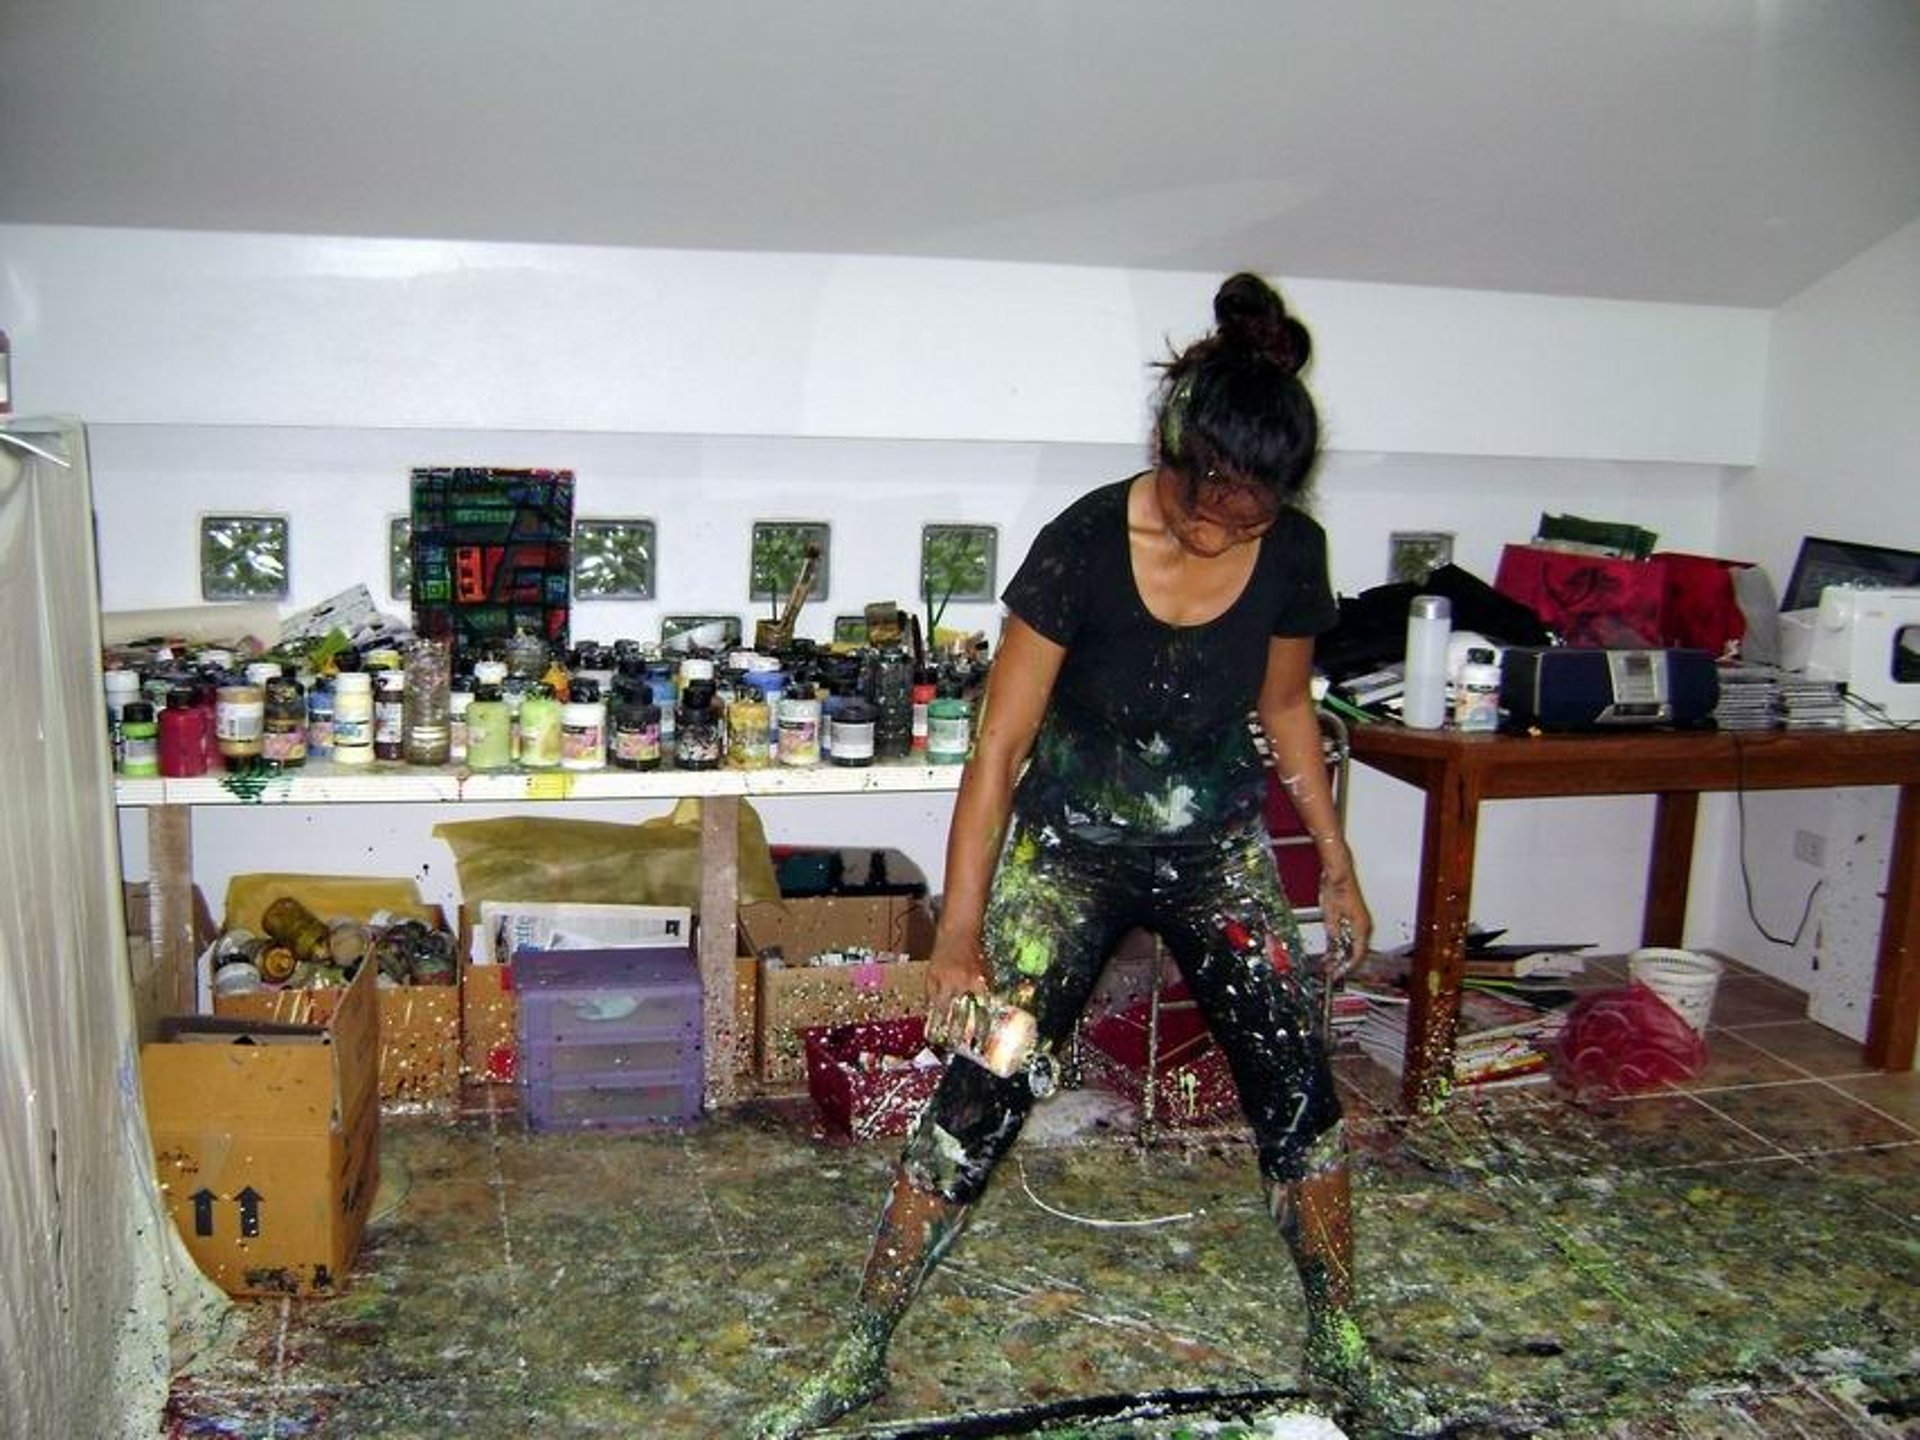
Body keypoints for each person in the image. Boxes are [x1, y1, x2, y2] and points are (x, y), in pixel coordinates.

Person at [751, 273, 1430, 1438]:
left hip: (1215, 852)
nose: (1223, 532)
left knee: (1299, 1094)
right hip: (1066, 853)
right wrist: (957, 938)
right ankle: (861, 1350)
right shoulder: (1079, 542)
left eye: (1252, 513)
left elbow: (1287, 713)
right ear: (1172, 457)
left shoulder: (1291, 552)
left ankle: (1342, 1342)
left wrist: (1340, 863)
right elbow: (999, 746)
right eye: (1208, 504)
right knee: (977, 1096)